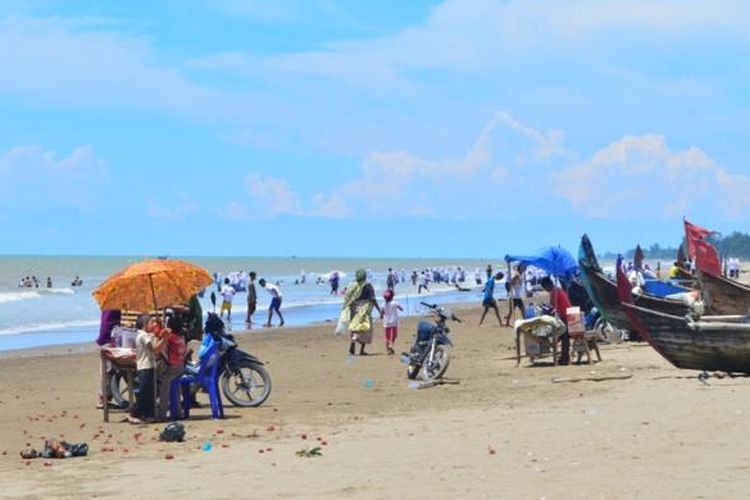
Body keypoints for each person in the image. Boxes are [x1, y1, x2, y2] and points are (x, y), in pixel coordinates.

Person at [130, 315, 168, 424]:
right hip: (145, 366)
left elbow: (156, 348)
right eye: (151, 323)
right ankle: (135, 414)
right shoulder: (143, 336)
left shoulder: (146, 336)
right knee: (144, 392)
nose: (153, 325)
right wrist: (164, 339)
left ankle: (148, 415)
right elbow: (155, 350)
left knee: (150, 392)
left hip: (150, 365)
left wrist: (162, 337)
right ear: (144, 325)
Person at [343, 269, 382, 356]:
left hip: (353, 308)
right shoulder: (368, 286)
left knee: (355, 327)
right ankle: (361, 350)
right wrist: (379, 310)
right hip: (363, 308)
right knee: (365, 329)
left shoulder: (352, 285)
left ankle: (353, 343)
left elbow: (347, 297)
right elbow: (372, 299)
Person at [157, 315, 187, 421]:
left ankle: (162, 414)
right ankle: (178, 412)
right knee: (176, 388)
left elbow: (161, 349)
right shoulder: (181, 337)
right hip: (181, 366)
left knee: (164, 388)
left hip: (173, 367)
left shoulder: (170, 337)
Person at [540, 276, 571, 366]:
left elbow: (552, 307)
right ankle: (563, 355)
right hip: (567, 315)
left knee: (562, 335)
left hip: (566, 316)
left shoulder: (555, 292)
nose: (545, 290)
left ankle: (564, 357)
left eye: (544, 288)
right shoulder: (557, 290)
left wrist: (546, 313)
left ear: (548, 285)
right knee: (560, 334)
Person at [95, 309, 121, 409]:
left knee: (109, 370)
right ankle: (103, 399)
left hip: (107, 338)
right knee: (108, 370)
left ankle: (105, 398)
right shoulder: (112, 308)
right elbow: (111, 324)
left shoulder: (110, 306)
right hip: (108, 339)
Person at [382, 290, 403, 356]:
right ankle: (391, 345)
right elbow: (401, 309)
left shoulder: (383, 304)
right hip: (394, 320)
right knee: (394, 335)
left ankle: (387, 349)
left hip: (386, 321)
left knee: (387, 336)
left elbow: (382, 313)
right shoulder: (395, 303)